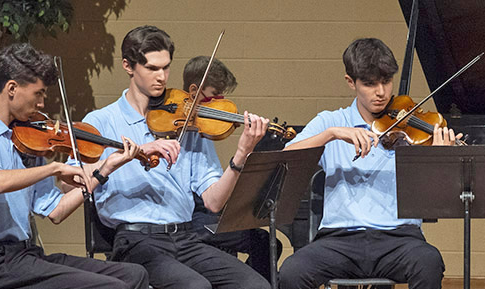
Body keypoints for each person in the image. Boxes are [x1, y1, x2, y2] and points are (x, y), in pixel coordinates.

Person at [79, 25, 270, 289]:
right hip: (136, 242)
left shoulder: (187, 124)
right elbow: (73, 183)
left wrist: (242, 152)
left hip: (185, 237)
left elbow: (214, 202)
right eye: (152, 68)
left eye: (166, 68)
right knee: (194, 287)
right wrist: (116, 160)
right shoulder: (101, 121)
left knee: (255, 286)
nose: (162, 77)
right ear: (128, 66)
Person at [0, 43, 148, 289]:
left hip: (27, 256)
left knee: (134, 275)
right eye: (39, 93)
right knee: (111, 287)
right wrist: (54, 168)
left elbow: (56, 211)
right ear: (12, 88)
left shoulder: (26, 138)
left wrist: (104, 169)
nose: (43, 104)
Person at [278, 38, 449, 289]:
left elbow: (436, 194)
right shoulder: (332, 121)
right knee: (292, 271)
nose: (381, 92)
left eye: (386, 81)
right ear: (351, 82)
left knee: (428, 262)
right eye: (370, 84)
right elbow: (286, 156)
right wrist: (332, 135)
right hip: (339, 240)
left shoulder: (410, 128)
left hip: (399, 239)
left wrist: (441, 159)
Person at [182, 55, 280, 282]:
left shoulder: (202, 133)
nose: (219, 104)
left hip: (205, 212)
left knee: (265, 240)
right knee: (261, 242)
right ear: (195, 91)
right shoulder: (186, 132)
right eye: (214, 96)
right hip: (190, 220)